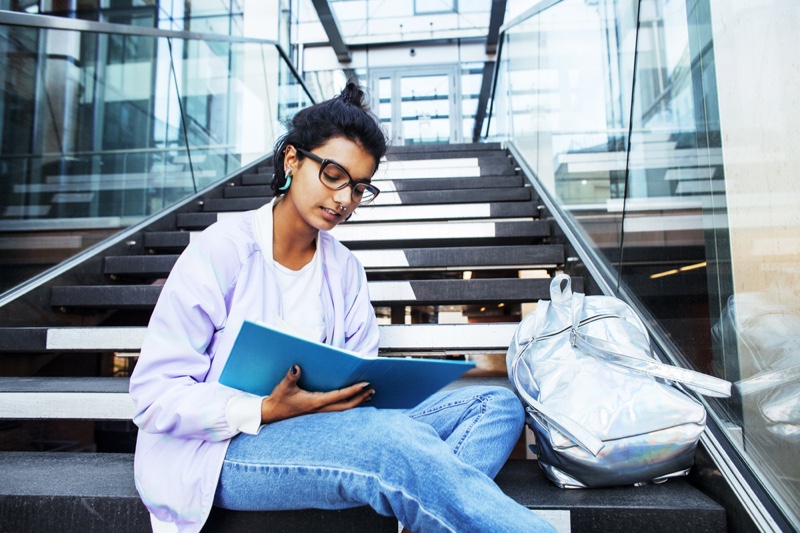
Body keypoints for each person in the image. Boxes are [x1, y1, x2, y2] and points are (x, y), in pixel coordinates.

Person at [129, 82, 556, 533]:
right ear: (292, 159)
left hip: (330, 426)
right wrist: (262, 409)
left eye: (358, 188)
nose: (343, 200)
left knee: (496, 404)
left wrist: (365, 394)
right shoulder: (221, 250)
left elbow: (359, 371)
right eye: (333, 175)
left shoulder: (345, 268)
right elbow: (154, 395)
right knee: (391, 443)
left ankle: (425, 504)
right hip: (226, 448)